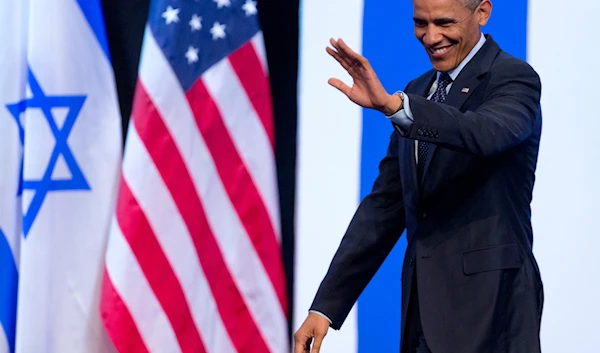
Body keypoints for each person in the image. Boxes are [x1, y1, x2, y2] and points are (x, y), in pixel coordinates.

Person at [293, 0, 544, 352]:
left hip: (492, 313)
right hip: (423, 316)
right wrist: (326, 307)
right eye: (420, 23)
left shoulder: (513, 77)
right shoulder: (418, 90)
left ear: (482, 13)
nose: (430, 36)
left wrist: (396, 108)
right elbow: (384, 207)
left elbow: (487, 133)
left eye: (444, 22)